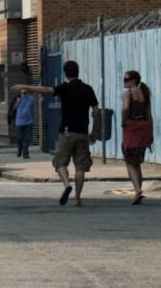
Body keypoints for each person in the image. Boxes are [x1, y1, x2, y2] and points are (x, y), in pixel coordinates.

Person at [15, 60, 101, 207]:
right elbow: (96, 111)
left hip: (66, 132)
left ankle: (67, 185)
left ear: (65, 73)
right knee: (80, 167)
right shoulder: (88, 89)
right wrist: (94, 131)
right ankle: (77, 198)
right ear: (78, 71)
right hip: (82, 133)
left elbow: (46, 90)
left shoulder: (64, 88)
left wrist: (26, 87)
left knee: (60, 162)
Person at [121, 70, 153, 204]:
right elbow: (149, 116)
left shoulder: (127, 94)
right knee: (137, 164)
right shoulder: (145, 94)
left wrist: (123, 121)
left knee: (129, 162)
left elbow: (125, 108)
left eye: (126, 79)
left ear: (134, 80)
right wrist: (151, 134)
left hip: (131, 131)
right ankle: (137, 192)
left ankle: (138, 190)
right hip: (143, 131)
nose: (124, 82)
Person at [13, 90, 36, 158]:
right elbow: (14, 108)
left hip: (28, 122)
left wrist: (33, 120)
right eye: (23, 89)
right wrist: (18, 101)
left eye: (25, 89)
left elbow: (33, 110)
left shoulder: (31, 99)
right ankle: (20, 148)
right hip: (19, 122)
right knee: (19, 138)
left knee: (27, 139)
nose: (24, 90)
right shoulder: (17, 98)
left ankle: (25, 154)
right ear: (20, 90)